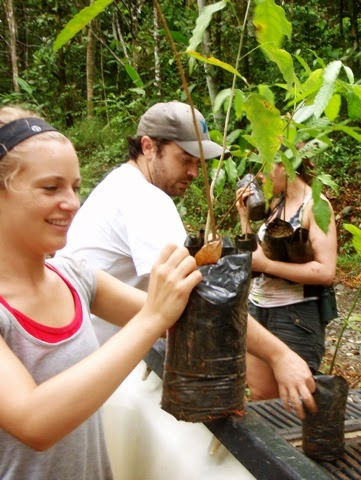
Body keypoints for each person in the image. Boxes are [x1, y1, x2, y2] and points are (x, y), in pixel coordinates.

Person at [57, 101, 316, 417]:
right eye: (185, 159)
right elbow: (201, 302)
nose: (194, 172)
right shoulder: (143, 199)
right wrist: (280, 355)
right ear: (149, 147)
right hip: (87, 368)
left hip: (86, 356)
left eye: (198, 162)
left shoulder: (121, 184)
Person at [0, 106, 202, 478]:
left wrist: (278, 355)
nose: (72, 203)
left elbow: (182, 313)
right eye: (50, 187)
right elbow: (33, 422)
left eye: (75, 187)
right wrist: (152, 318)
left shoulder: (74, 277)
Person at [235, 148, 338, 400]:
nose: (261, 176)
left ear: (285, 165)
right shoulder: (275, 204)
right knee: (261, 396)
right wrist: (244, 217)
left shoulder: (316, 205)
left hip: (295, 315)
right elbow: (256, 256)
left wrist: (266, 266)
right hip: (258, 309)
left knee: (292, 400)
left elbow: (325, 271)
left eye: (265, 166)